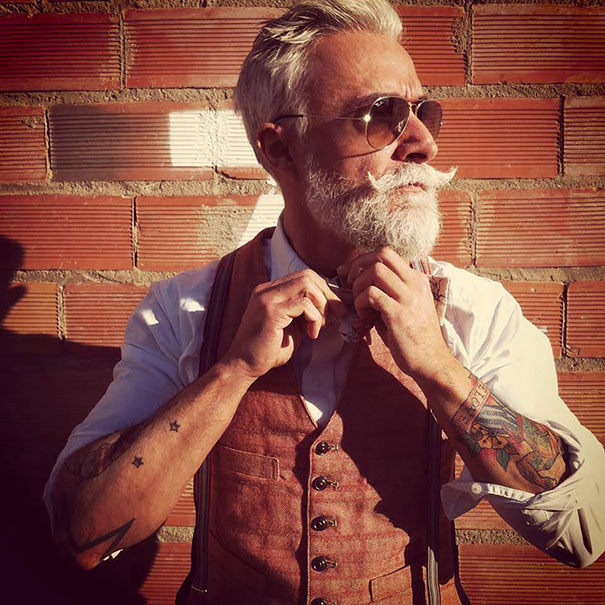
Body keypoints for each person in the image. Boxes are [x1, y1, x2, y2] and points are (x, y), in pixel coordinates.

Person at [44, 1, 605, 603]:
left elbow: (584, 534)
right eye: (382, 115)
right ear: (280, 149)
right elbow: (82, 533)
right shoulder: (186, 308)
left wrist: (438, 366)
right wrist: (232, 372)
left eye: (423, 113)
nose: (423, 144)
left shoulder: (474, 308)